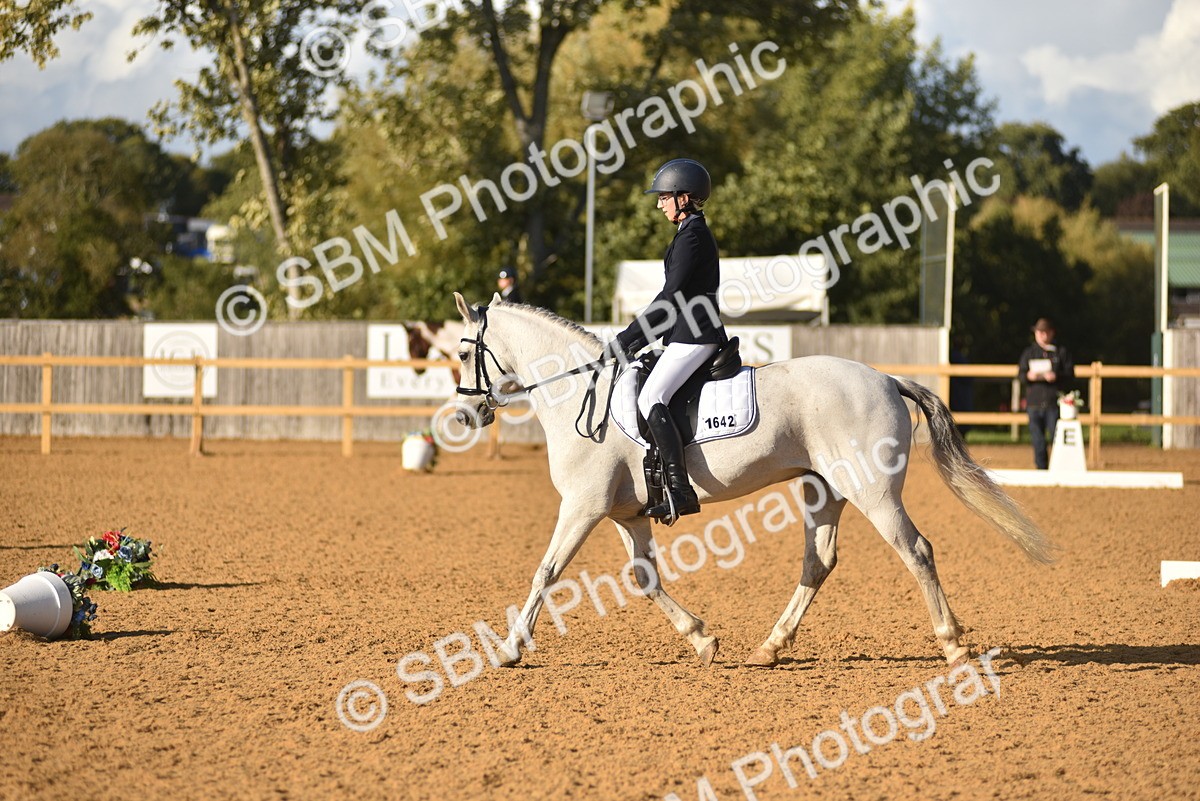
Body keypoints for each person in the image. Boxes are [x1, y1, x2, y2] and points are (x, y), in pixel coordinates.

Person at [603, 158, 727, 519]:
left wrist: (627, 338)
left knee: (650, 397)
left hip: (695, 334)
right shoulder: (689, 234)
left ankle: (680, 490)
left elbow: (670, 298)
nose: (659, 204)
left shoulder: (692, 237)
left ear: (683, 198)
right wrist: (635, 341)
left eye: (663, 197)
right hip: (685, 332)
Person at [1018, 318, 1075, 470]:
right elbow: (1021, 374)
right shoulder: (1029, 353)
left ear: (1051, 333)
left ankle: (1059, 468)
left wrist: (1057, 376)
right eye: (1039, 332)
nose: (1042, 335)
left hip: (1053, 402)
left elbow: (1070, 374)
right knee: (1038, 441)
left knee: (1057, 439)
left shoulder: (1061, 352)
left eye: (1045, 332)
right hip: (1034, 402)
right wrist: (1028, 376)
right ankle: (1041, 470)